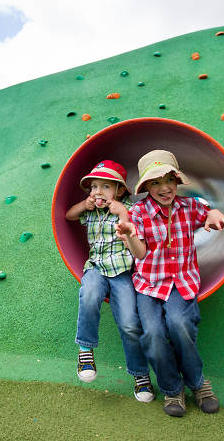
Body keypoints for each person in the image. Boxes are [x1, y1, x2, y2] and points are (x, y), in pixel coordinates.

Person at [116, 150, 224, 417]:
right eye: (155, 183)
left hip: (181, 282)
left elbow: (207, 212)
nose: (163, 188)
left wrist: (213, 214)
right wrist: (130, 236)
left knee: (179, 324)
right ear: (145, 187)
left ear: (177, 181)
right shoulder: (139, 212)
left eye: (168, 180)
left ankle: (198, 383)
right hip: (149, 285)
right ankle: (172, 388)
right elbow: (140, 253)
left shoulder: (189, 207)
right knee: (154, 334)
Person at [65, 160, 154, 403]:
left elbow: (138, 234)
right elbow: (68, 216)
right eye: (94, 187)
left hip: (123, 273)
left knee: (129, 323)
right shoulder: (91, 209)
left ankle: (140, 375)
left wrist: (122, 213)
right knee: (90, 294)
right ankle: (85, 351)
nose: (98, 192)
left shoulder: (130, 207)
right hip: (96, 268)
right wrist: (84, 204)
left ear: (120, 191)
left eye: (105, 187)